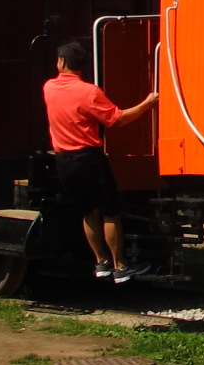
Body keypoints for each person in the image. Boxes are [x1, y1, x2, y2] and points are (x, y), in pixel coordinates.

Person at [44, 39, 159, 284]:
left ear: (62, 62)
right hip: (88, 159)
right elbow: (118, 119)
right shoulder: (89, 92)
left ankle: (101, 262)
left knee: (88, 212)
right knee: (110, 212)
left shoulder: (49, 88)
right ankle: (120, 266)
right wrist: (147, 104)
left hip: (63, 161)